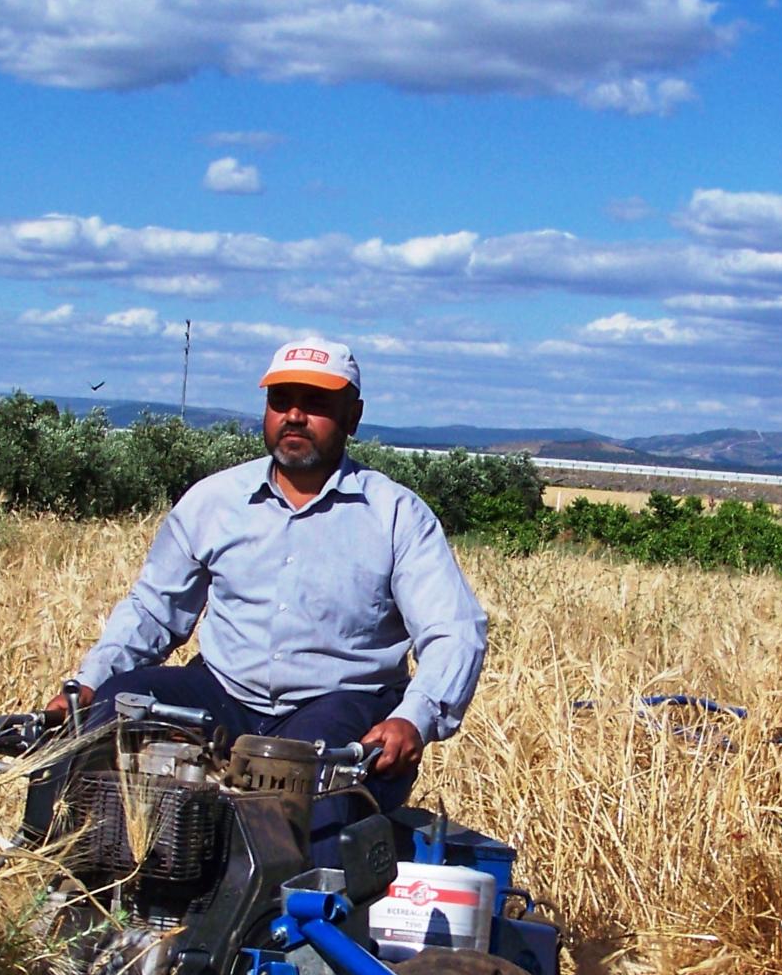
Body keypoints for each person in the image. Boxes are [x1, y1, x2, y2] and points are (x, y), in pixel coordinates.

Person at [45, 337, 487, 808]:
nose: (294, 416)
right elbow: (153, 610)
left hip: (340, 703)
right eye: (281, 402)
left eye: (315, 403)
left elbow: (453, 632)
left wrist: (413, 719)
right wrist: (89, 682)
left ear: (353, 417)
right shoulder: (213, 501)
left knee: (294, 786)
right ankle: (63, 865)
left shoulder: (396, 515)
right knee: (116, 707)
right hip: (222, 692)